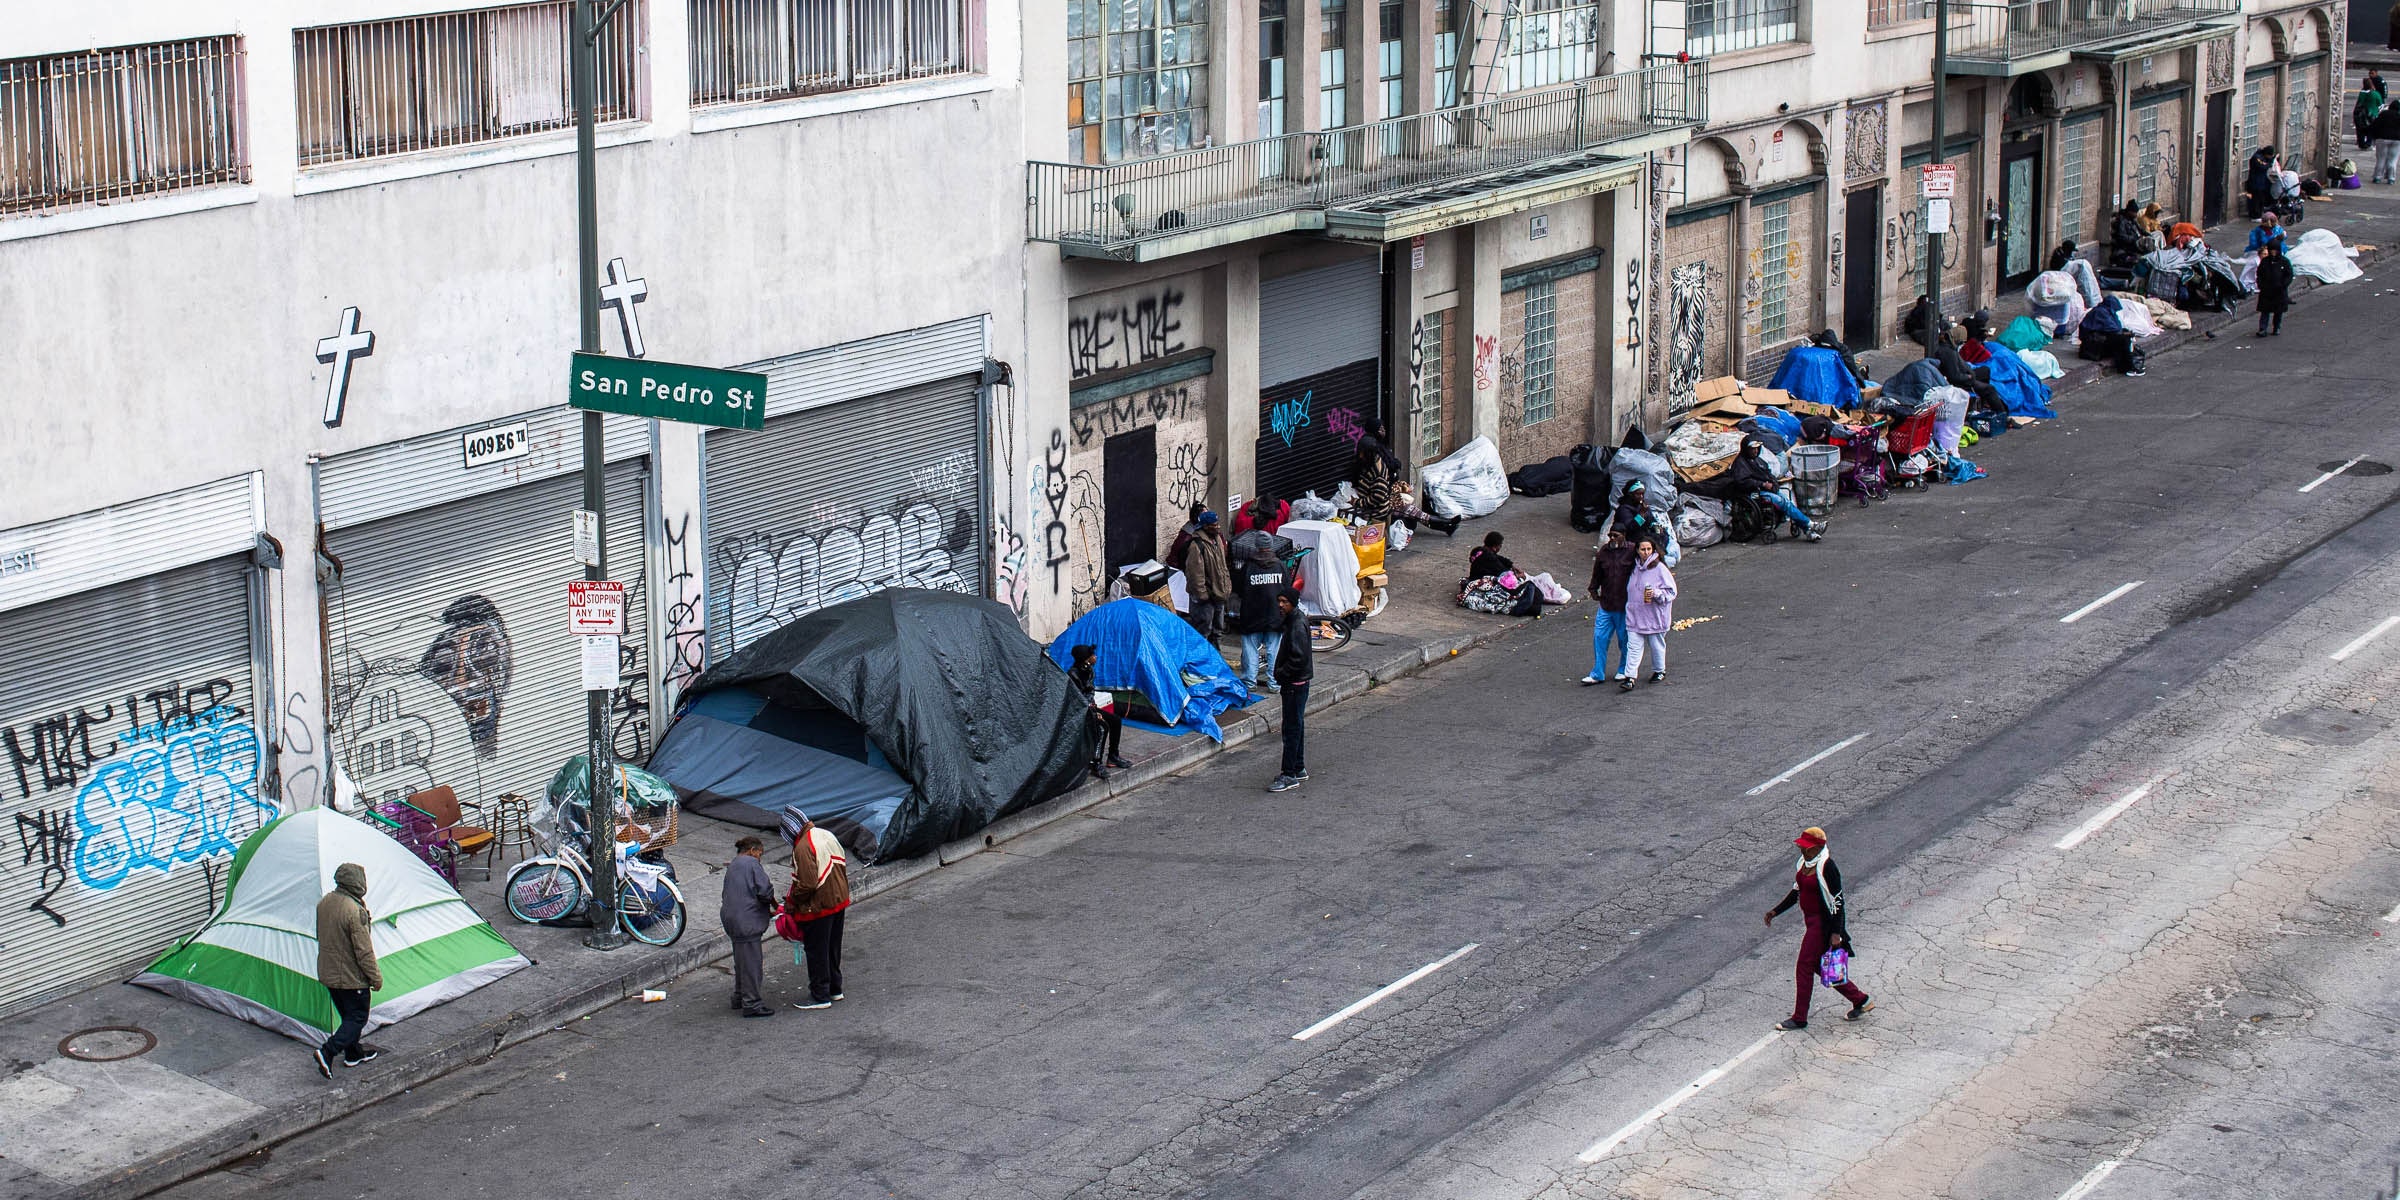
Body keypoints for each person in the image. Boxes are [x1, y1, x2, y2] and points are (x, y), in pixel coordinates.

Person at [1764, 826, 1873, 1030]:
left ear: (1817, 848)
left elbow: (1838, 902)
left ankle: (1799, 1018)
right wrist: (1775, 911)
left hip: (1822, 925)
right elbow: (1797, 892)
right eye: (1802, 847)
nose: (1802, 851)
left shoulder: (1827, 867)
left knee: (1803, 965)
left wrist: (1836, 933)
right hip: (1811, 922)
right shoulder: (1804, 864)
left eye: (1807, 848)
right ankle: (1861, 1000)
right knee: (1820, 967)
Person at [312, 862, 381, 1077]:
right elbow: (364, 951)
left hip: (328, 972)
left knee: (348, 1017)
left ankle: (354, 1054)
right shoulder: (354, 910)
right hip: (351, 977)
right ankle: (328, 1051)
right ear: (358, 883)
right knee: (357, 1017)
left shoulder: (325, 903)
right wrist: (375, 977)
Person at [780, 807, 851, 1010]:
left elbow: (808, 884)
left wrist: (792, 901)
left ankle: (820, 995)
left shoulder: (803, 848)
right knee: (832, 947)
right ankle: (835, 988)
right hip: (838, 900)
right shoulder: (825, 834)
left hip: (818, 907)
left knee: (816, 950)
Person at [720, 836, 780, 1018]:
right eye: (760, 854)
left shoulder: (733, 865)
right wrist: (776, 908)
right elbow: (765, 891)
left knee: (741, 960)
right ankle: (752, 1002)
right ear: (753, 850)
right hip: (746, 921)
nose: (760, 857)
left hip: (731, 918)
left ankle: (739, 996)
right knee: (752, 964)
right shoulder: (752, 864)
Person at [1729, 436, 1821, 542]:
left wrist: (1773, 483)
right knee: (1781, 501)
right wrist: (1762, 484)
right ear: (1746, 449)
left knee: (1786, 500)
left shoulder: (1757, 460)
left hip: (1765, 490)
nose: (1755, 451)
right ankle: (1810, 524)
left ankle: (1808, 530)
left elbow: (1768, 474)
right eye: (1752, 449)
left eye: (1757, 448)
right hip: (1753, 493)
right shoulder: (1740, 464)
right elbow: (1742, 482)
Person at [1267, 588, 1312, 793]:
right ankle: (1298, 767)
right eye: (1279, 601)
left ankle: (1289, 774)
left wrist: (1282, 673)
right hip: (1297, 683)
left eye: (1284, 601)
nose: (1280, 605)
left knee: (1291, 729)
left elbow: (1298, 658)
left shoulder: (1297, 625)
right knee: (1296, 725)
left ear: (1292, 603)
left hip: (1294, 684)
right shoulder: (1295, 621)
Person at [1234, 543, 1292, 694]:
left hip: (1252, 615)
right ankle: (1275, 683)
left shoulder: (1248, 566)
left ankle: (1249, 682)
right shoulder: (1280, 565)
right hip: (1275, 615)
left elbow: (1239, 589)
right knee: (1274, 650)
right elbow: (1288, 588)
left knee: (1250, 650)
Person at [1618, 538, 1675, 692]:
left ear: (1653, 549)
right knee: (1633, 647)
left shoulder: (1660, 569)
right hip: (1635, 615)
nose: (1646, 553)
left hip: (1653, 616)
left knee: (1656, 644)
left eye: (1649, 549)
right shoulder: (1634, 568)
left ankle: (1659, 670)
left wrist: (1656, 593)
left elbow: (1671, 592)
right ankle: (1630, 677)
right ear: (1637, 550)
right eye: (1643, 549)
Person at [1581, 527, 1636, 685]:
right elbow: (1597, 573)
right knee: (1600, 638)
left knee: (1624, 639)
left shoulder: (1632, 551)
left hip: (1624, 606)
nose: (1612, 538)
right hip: (1606, 604)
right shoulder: (1604, 553)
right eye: (1610, 535)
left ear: (1623, 536)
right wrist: (1593, 588)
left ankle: (1623, 669)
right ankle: (1598, 672)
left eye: (1615, 536)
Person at [1067, 643, 1132, 776]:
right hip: (1078, 712)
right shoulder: (1073, 675)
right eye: (1092, 655)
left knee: (1115, 721)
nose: (1095, 657)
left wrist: (1094, 710)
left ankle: (1113, 756)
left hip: (1090, 708)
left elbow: (1090, 693)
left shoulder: (1089, 670)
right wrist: (1093, 713)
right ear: (1086, 659)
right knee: (1102, 727)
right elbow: (1077, 699)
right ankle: (1096, 763)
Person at [1181, 510, 1233, 643]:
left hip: (1218, 594)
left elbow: (1223, 566)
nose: (1218, 527)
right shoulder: (1196, 545)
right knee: (1203, 630)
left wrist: (1226, 586)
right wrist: (1203, 595)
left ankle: (1216, 655)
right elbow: (1195, 575)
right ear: (1205, 526)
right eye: (1214, 525)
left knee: (1217, 629)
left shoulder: (1217, 540)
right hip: (1206, 598)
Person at [1612, 480, 1667, 551]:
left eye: (1642, 494)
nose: (1641, 496)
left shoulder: (1641, 505)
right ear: (1630, 494)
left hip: (1644, 533)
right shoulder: (1624, 509)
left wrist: (1655, 526)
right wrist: (1641, 514)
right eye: (1638, 494)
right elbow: (1631, 528)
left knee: (1663, 535)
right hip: (1632, 537)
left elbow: (1651, 519)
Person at [2255, 240, 2294, 337]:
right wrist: (2261, 284)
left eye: (2275, 250)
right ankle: (2262, 329)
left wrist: (2283, 285)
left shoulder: (2284, 262)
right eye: (2271, 250)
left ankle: (2276, 327)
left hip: (2279, 291)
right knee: (2265, 311)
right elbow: (2259, 274)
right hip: (2266, 290)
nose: (2273, 252)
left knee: (2278, 312)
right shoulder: (2265, 262)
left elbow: (2289, 275)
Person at [1164, 503, 1206, 570]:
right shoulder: (1185, 538)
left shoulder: (1204, 531)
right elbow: (1173, 560)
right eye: (1204, 516)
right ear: (1197, 518)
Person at [2369, 100, 2400, 184]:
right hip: (2397, 140)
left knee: (2381, 159)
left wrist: (2373, 136)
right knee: (2392, 160)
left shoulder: (2383, 114)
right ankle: (2391, 178)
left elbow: (2374, 125)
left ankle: (2377, 177)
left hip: (2382, 138)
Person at [2356, 72, 2387, 149]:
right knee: (2370, 129)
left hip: (2361, 114)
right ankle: (2368, 144)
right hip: (2372, 113)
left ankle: (2361, 143)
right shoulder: (2375, 94)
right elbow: (2380, 104)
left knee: (2360, 129)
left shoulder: (2361, 93)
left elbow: (2359, 103)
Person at [2245, 145, 2279, 214]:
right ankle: (2254, 215)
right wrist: (2271, 162)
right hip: (2255, 183)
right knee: (2254, 199)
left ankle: (2259, 213)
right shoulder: (2257, 158)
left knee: (2260, 199)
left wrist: (2273, 159)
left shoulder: (2263, 157)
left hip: (2261, 183)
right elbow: (2263, 166)